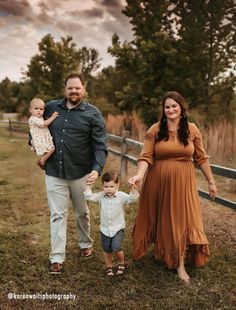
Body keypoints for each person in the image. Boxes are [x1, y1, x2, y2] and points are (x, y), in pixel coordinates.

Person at [129, 91, 217, 284]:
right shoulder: (155, 129)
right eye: (167, 107)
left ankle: (180, 264)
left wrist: (211, 181)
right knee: (163, 218)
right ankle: (165, 252)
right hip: (157, 181)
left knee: (181, 220)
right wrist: (139, 175)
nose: (170, 110)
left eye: (174, 106)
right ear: (163, 110)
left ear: (181, 107)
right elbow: (146, 156)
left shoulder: (192, 129)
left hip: (183, 183)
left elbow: (201, 157)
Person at [40, 73, 107, 274]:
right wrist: (38, 150)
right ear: (65, 89)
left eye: (77, 88)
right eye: (70, 88)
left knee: (82, 213)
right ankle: (56, 258)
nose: (74, 91)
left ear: (83, 89)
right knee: (57, 215)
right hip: (54, 172)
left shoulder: (93, 113)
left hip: (81, 173)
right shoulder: (51, 108)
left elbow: (100, 145)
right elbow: (36, 128)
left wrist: (96, 169)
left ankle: (85, 243)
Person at [84, 171, 139, 276]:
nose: (108, 189)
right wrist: (88, 185)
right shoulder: (101, 196)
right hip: (105, 229)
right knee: (107, 249)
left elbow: (133, 198)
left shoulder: (121, 196)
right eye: (106, 186)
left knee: (116, 247)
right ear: (103, 186)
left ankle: (121, 263)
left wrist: (133, 188)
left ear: (117, 185)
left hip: (118, 228)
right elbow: (88, 196)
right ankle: (109, 266)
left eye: (111, 186)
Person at [29, 98, 59, 167]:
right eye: (36, 108)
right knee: (52, 149)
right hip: (40, 139)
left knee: (47, 149)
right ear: (30, 110)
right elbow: (44, 124)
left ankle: (37, 149)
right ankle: (42, 161)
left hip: (42, 138)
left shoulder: (39, 117)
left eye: (41, 109)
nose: (39, 111)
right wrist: (53, 117)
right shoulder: (33, 119)